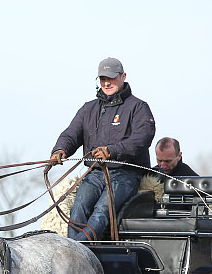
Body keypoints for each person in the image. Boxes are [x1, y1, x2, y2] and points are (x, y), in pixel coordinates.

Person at [50, 57, 156, 241]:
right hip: (95, 172)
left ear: (123, 76)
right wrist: (60, 150)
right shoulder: (88, 109)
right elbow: (71, 134)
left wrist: (113, 151)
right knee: (78, 208)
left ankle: (77, 250)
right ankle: (75, 251)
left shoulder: (138, 107)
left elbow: (143, 137)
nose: (106, 83)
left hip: (126, 174)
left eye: (111, 78)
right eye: (102, 79)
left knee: (102, 211)